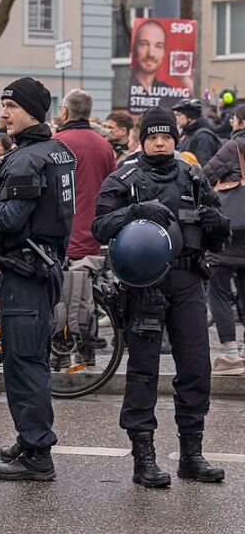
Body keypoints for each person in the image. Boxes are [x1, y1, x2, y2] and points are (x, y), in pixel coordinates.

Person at [92, 107, 229, 486]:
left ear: (175, 138)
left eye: (166, 136)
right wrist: (134, 210)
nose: (160, 141)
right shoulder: (125, 178)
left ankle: (191, 454)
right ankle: (144, 457)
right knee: (143, 373)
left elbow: (220, 234)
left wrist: (219, 225)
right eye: (153, 136)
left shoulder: (194, 176)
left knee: (196, 368)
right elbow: (99, 226)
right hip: (144, 287)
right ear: (142, 139)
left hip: (188, 281)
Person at [0, 77, 74, 481]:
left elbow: (9, 218)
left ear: (31, 110)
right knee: (28, 361)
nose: (4, 114)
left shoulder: (28, 159)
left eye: (11, 106)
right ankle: (30, 440)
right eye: (3, 105)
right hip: (41, 267)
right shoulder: (56, 151)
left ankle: (37, 453)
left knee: (25, 364)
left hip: (27, 272)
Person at [54, 90, 117, 364]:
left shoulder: (56, 143)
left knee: (60, 295)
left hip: (62, 233)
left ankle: (60, 351)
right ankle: (87, 349)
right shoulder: (104, 146)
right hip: (93, 233)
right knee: (87, 294)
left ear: (65, 112)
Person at [202, 104, 245, 376]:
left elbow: (204, 176)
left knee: (217, 289)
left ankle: (231, 355)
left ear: (241, 122)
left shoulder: (234, 147)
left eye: (234, 118)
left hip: (230, 233)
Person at [129, 20, 191, 112]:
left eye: (158, 46)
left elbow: (194, 111)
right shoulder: (125, 86)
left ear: (164, 52)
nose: (151, 54)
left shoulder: (170, 93)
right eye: (144, 44)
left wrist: (184, 78)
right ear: (134, 48)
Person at [173, 99, 221, 168]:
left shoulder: (203, 136)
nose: (176, 118)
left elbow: (203, 166)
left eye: (179, 114)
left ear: (189, 116)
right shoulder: (188, 133)